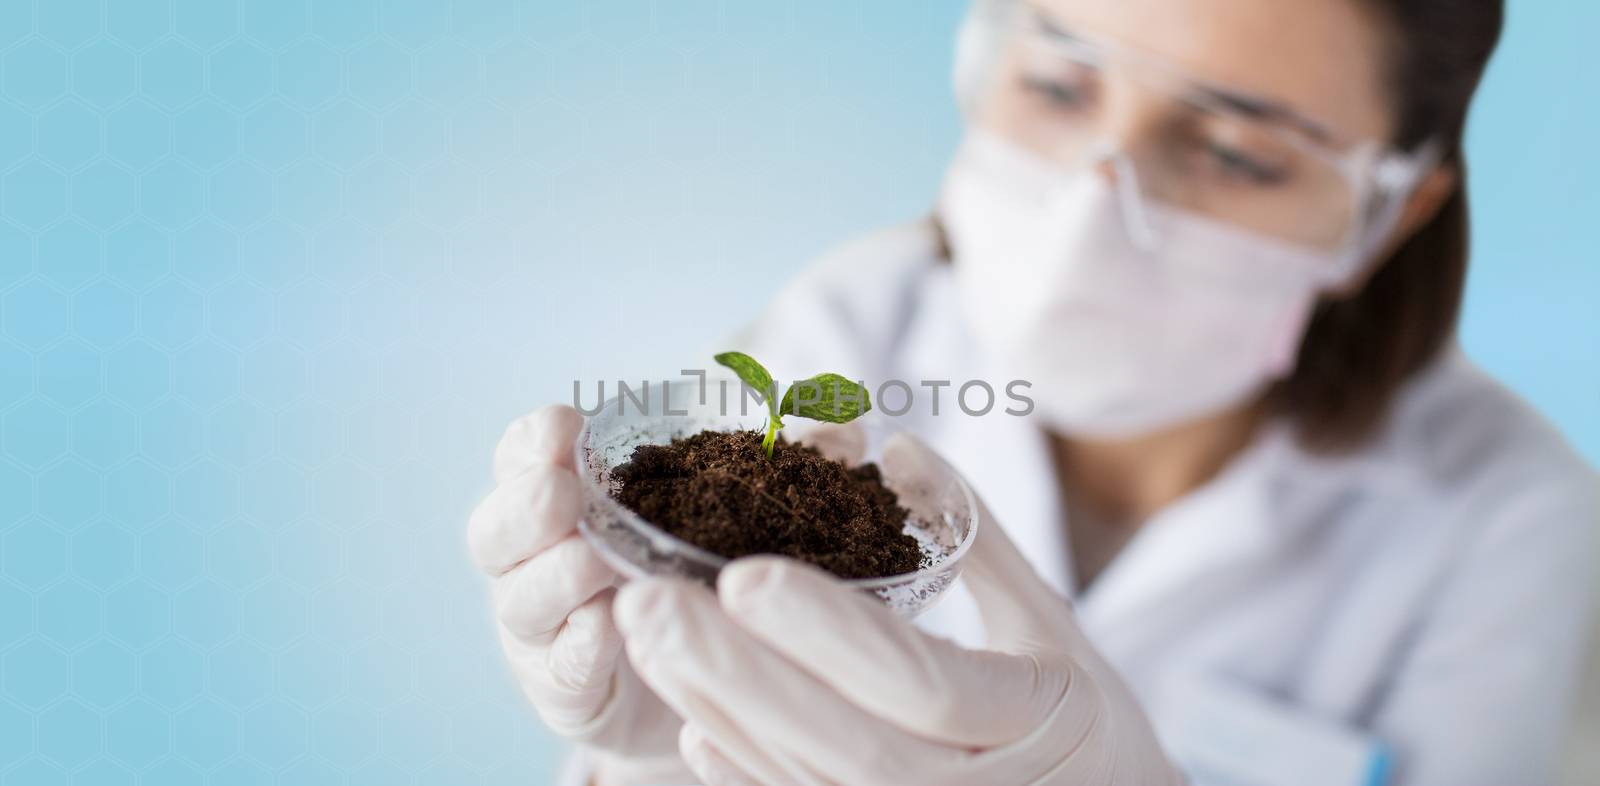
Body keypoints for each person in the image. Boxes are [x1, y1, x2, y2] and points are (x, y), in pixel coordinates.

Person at [467, 0, 1600, 783]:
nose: (1086, 213)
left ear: (1390, 216)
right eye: (1059, 86)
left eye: (1237, 154)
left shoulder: (1508, 517)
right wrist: (663, 754)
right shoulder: (851, 328)